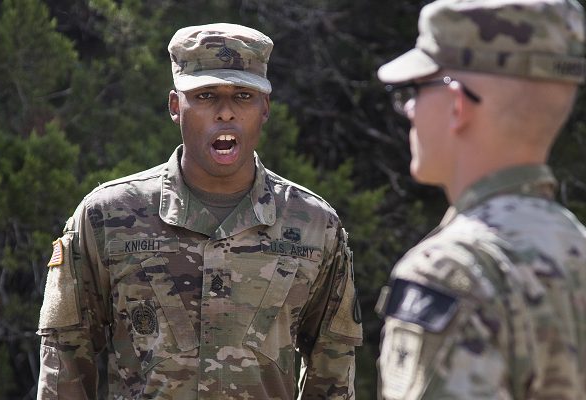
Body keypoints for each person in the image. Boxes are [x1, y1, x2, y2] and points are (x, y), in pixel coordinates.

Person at [36, 23, 362, 399]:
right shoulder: (107, 216)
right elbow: (65, 361)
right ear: (176, 107)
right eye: (206, 96)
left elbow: (333, 369)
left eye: (243, 96)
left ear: (265, 108)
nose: (226, 113)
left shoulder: (313, 225)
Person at [374, 0, 586, 399]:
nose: (410, 110)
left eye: (415, 89)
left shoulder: (451, 273)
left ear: (457, 106)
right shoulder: (573, 245)